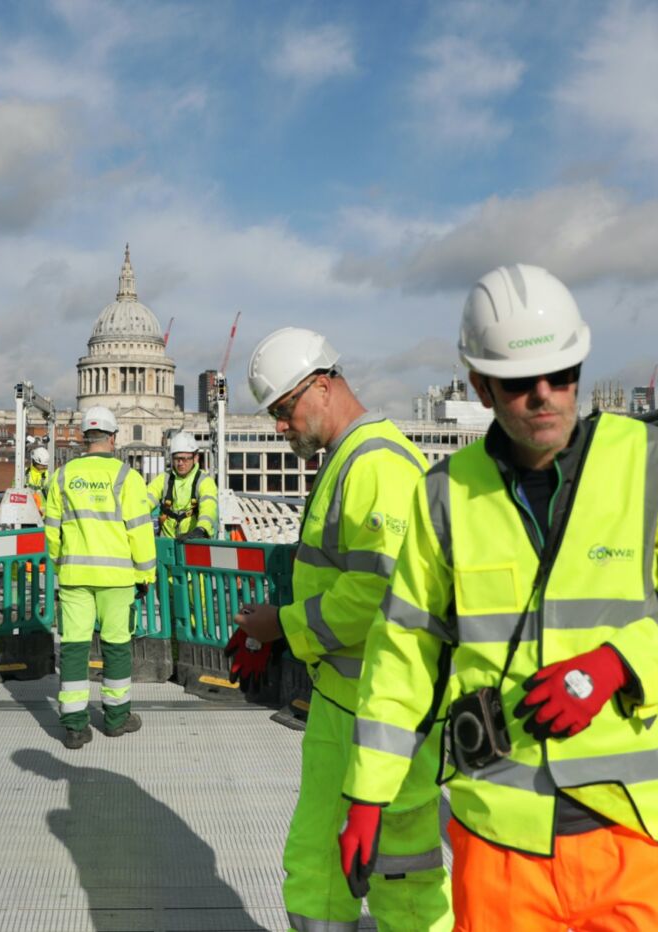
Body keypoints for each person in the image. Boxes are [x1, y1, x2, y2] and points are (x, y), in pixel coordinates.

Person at [338, 264, 658, 931]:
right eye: (518, 383)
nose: (545, 397)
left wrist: (618, 666)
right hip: (503, 837)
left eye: (562, 376)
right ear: (479, 386)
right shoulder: (443, 495)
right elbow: (405, 653)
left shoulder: (657, 464)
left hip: (638, 833)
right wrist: (366, 793)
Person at [230, 327, 448, 932]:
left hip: (387, 711)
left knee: (400, 872)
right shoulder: (351, 461)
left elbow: (380, 589)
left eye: (283, 410)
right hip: (341, 701)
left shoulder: (378, 466)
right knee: (319, 859)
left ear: (321, 387)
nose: (279, 428)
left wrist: (283, 626)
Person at [43, 406, 156, 749]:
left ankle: (76, 725)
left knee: (75, 647)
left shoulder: (62, 476)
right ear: (113, 437)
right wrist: (146, 573)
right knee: (117, 647)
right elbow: (140, 532)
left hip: (75, 573)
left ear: (83, 436)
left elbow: (51, 530)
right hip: (118, 577)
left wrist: (60, 564)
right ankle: (116, 719)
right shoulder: (128, 478)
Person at [146, 431, 219, 540]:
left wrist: (202, 529)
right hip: (167, 541)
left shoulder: (205, 481)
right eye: (176, 458)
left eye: (185, 459)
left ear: (195, 458)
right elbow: (147, 499)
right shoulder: (164, 478)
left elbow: (208, 507)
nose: (180, 463)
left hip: (194, 541)